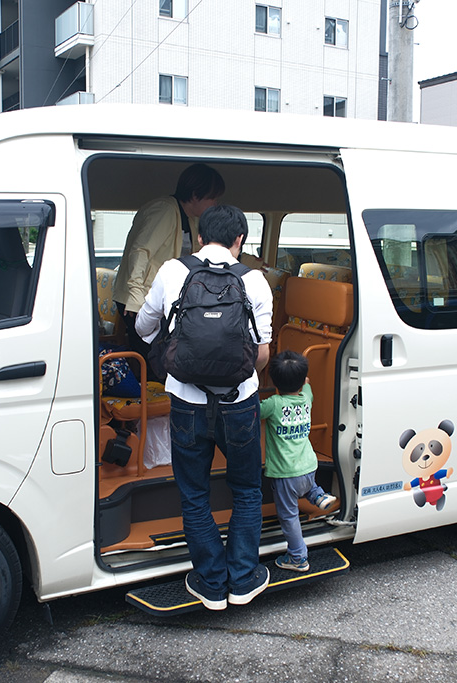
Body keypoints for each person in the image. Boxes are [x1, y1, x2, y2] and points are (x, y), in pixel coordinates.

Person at [135, 204, 273, 611]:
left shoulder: (172, 271)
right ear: (240, 240)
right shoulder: (256, 281)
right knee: (247, 489)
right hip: (240, 404)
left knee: (194, 493)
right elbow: (261, 355)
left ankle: (211, 582)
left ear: (198, 238)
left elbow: (144, 328)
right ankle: (244, 578)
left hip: (186, 403)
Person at [114, 163, 225, 368]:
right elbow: (140, 252)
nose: (215, 204)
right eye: (213, 198)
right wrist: (136, 294)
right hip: (140, 297)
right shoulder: (165, 210)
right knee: (154, 357)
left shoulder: (189, 219)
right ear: (195, 194)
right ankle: (153, 398)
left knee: (157, 354)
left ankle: (156, 396)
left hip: (154, 297)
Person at [260, 350, 337, 573]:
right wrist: (305, 382)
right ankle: (318, 495)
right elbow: (308, 384)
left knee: (289, 516)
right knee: (307, 487)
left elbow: (253, 411)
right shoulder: (306, 397)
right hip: (308, 466)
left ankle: (298, 557)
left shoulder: (273, 404)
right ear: (303, 381)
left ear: (274, 381)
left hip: (286, 474)